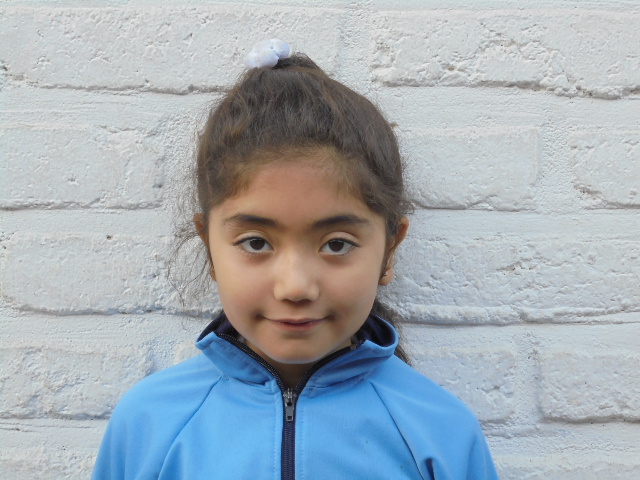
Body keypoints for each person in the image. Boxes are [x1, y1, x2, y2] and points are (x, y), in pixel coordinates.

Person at [92, 39, 499, 480]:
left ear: (389, 250)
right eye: (255, 243)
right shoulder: (148, 424)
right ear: (209, 247)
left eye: (337, 244)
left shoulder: (441, 433)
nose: (295, 287)